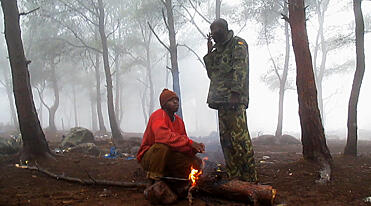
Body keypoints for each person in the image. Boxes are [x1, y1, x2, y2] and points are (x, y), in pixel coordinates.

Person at [203, 18, 257, 182]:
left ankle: (249, 177)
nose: (214, 35)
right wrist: (210, 52)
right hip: (220, 101)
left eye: (217, 31)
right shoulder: (217, 50)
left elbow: (240, 69)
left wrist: (235, 93)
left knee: (240, 139)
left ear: (225, 29)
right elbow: (212, 74)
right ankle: (235, 176)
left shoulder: (238, 44)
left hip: (234, 100)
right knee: (226, 140)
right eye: (212, 33)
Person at [137, 88, 205, 183]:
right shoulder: (158, 115)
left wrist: (193, 149)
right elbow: (163, 137)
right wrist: (190, 142)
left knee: (195, 162)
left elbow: (181, 145)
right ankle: (154, 180)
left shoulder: (179, 121)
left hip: (169, 156)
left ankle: (175, 179)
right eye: (171, 100)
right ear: (164, 104)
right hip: (150, 157)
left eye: (177, 100)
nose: (176, 102)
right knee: (162, 146)